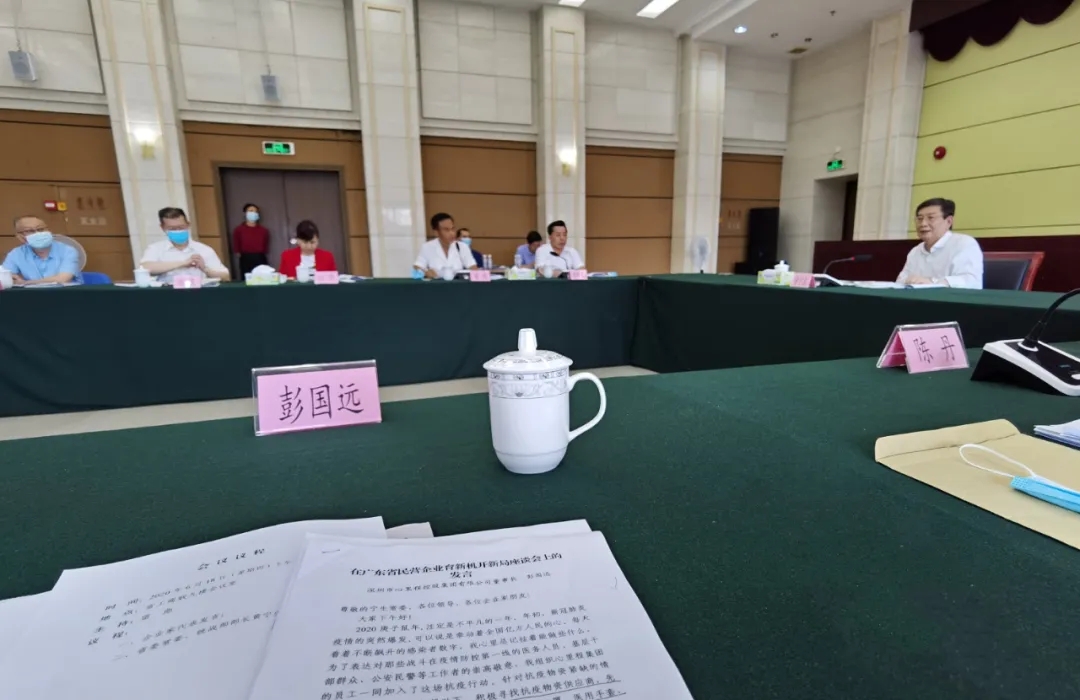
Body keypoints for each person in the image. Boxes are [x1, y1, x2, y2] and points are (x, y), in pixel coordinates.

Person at [897, 198, 983, 289]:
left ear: (949, 221)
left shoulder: (964, 244)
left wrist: (933, 282)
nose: (923, 224)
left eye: (931, 218)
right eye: (920, 219)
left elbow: (971, 282)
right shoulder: (915, 251)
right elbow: (900, 280)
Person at [140, 207, 230, 283]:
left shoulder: (203, 249)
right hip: (167, 294)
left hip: (199, 294)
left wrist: (205, 269)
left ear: (188, 225)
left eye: (181, 227)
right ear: (163, 228)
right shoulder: (155, 248)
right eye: (172, 229)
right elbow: (145, 268)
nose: (177, 231)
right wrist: (183, 263)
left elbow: (225, 276)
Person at [2, 215, 83, 285]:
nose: (37, 233)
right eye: (29, 231)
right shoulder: (16, 254)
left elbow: (62, 279)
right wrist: (10, 279)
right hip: (32, 296)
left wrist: (25, 282)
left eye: (41, 229)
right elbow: (4, 278)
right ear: (19, 236)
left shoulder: (68, 251)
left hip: (66, 295)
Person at [414, 212, 477, 278]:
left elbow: (473, 267)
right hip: (437, 284)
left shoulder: (462, 247)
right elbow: (416, 268)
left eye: (452, 229)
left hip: (457, 284)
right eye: (446, 230)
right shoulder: (427, 247)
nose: (452, 233)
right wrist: (425, 272)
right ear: (436, 232)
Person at [232, 203, 270, 275]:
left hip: (260, 257)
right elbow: (237, 247)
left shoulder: (264, 230)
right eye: (251, 211)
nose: (253, 213)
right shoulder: (239, 230)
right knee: (247, 278)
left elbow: (265, 246)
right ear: (245, 213)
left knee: (263, 277)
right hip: (245, 258)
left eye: (255, 211)